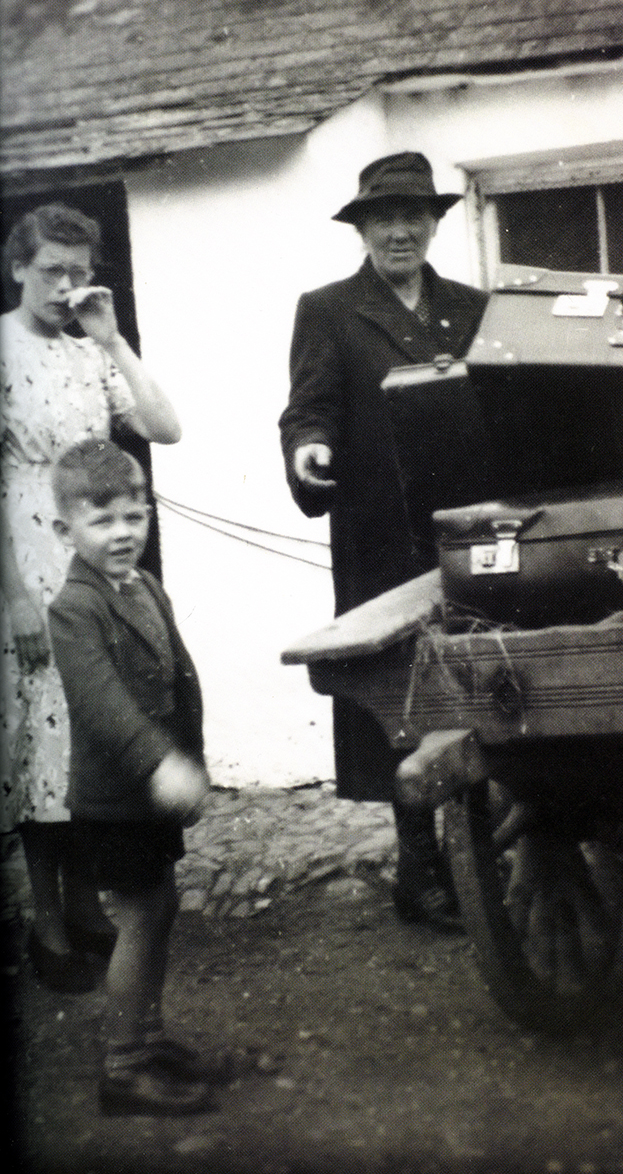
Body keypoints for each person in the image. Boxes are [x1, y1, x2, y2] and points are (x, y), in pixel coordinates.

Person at [279, 152, 489, 929]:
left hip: (466, 528)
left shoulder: (472, 307)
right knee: (402, 694)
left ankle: (476, 847)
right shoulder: (329, 309)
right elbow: (308, 407)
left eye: (412, 216)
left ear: (433, 224)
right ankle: (419, 866)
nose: (399, 231)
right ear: (361, 229)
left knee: (478, 677)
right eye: (382, 219)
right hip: (378, 534)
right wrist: (307, 449)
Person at [0, 202, 181, 992]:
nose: (64, 286)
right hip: (25, 561)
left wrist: (110, 337)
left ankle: (84, 907)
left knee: (89, 732)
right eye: (50, 271)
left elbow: (165, 427)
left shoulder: (87, 353)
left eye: (79, 272)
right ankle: (45, 923)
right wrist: (12, 598)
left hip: (91, 558)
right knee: (43, 741)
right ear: (17, 267)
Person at [48, 439, 215, 1115]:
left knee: (162, 906)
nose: (123, 534)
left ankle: (146, 1038)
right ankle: (123, 1069)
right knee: (139, 919)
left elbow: (181, 677)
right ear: (66, 529)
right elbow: (105, 709)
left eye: (133, 516)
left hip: (155, 795)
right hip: (116, 799)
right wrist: (162, 762)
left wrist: (194, 757)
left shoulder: (146, 586)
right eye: (102, 520)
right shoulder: (73, 610)